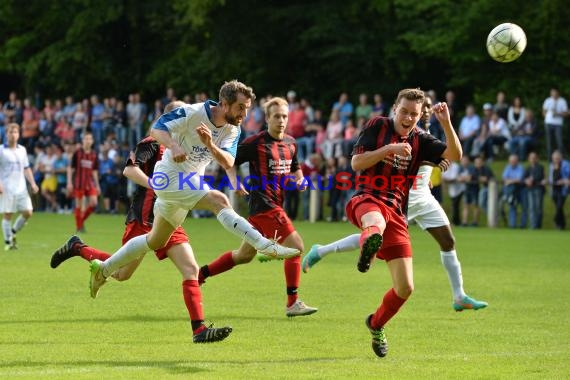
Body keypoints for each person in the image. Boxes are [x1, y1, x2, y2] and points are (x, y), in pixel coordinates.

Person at [87, 80, 299, 298]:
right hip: (167, 177)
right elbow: (157, 129)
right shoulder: (192, 112)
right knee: (219, 200)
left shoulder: (233, 129)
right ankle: (264, 245)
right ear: (224, 104)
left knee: (155, 240)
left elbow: (228, 161)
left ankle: (103, 269)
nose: (244, 114)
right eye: (240, 108)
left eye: (247, 108)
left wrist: (210, 144)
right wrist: (174, 145)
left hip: (188, 182)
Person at [51, 101, 232, 343]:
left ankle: (199, 330)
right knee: (122, 274)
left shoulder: (189, 143)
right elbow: (129, 170)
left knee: (190, 269)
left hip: (169, 215)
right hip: (144, 216)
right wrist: (157, 184)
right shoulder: (151, 142)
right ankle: (78, 247)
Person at [309, 89, 461, 358]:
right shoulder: (376, 125)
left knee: (405, 288)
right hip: (368, 196)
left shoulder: (420, 139)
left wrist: (446, 122)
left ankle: (376, 323)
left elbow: (456, 155)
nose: (409, 117)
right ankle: (367, 253)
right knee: (375, 223)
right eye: (404, 111)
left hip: (397, 212)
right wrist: (389, 149)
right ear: (394, 108)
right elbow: (356, 163)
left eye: (414, 114)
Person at [302, 98, 486, 314]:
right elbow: (413, 158)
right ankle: (322, 250)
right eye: (419, 108)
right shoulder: (391, 128)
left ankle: (459, 295)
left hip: (423, 196)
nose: (424, 111)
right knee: (376, 232)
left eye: (425, 108)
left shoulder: (424, 134)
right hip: (402, 195)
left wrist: (438, 153)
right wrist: (428, 162)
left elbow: (447, 155)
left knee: (447, 240)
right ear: (397, 109)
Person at [198, 97, 317, 317]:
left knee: (244, 256)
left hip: (271, 208)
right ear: (267, 118)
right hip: (264, 206)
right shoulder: (256, 142)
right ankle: (292, 302)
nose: (281, 120)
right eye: (276, 116)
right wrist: (234, 182)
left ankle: (200, 274)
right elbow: (229, 161)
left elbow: (296, 167)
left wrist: (300, 181)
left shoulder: (291, 142)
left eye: (284, 116)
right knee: (297, 247)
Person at [0, 123, 39, 250]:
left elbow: (26, 168)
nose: (13, 134)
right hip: (7, 188)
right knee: (8, 215)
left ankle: (13, 231)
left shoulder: (22, 150)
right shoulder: (1, 150)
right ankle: (8, 242)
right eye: (10, 132)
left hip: (21, 187)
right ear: (6, 134)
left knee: (28, 212)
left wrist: (33, 183)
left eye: (15, 132)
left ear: (19, 134)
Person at [68, 132, 100, 233]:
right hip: (79, 183)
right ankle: (79, 227)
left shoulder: (94, 154)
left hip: (90, 183)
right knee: (79, 206)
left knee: (94, 203)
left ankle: (80, 222)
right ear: (83, 141)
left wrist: (97, 185)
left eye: (89, 139)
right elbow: (71, 168)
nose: (87, 141)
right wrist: (69, 182)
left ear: (92, 141)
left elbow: (94, 171)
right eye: (86, 139)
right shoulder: (77, 153)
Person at [548, 150, 570, 230]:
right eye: (554, 158)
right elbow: (551, 177)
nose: (555, 160)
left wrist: (564, 181)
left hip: (563, 189)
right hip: (554, 189)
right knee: (559, 208)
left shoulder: (566, 165)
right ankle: (561, 225)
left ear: (561, 158)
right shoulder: (551, 166)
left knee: (559, 206)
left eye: (557, 158)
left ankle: (555, 220)